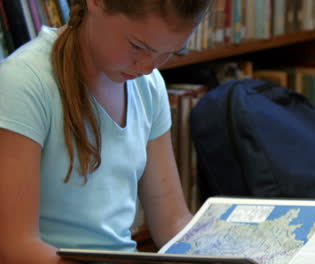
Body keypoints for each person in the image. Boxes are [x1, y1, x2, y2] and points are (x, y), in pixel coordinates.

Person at [0, 0, 212, 263]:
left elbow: (173, 221)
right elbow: (15, 247)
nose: (148, 67)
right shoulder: (22, 84)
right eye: (138, 46)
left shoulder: (149, 86)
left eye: (170, 53)